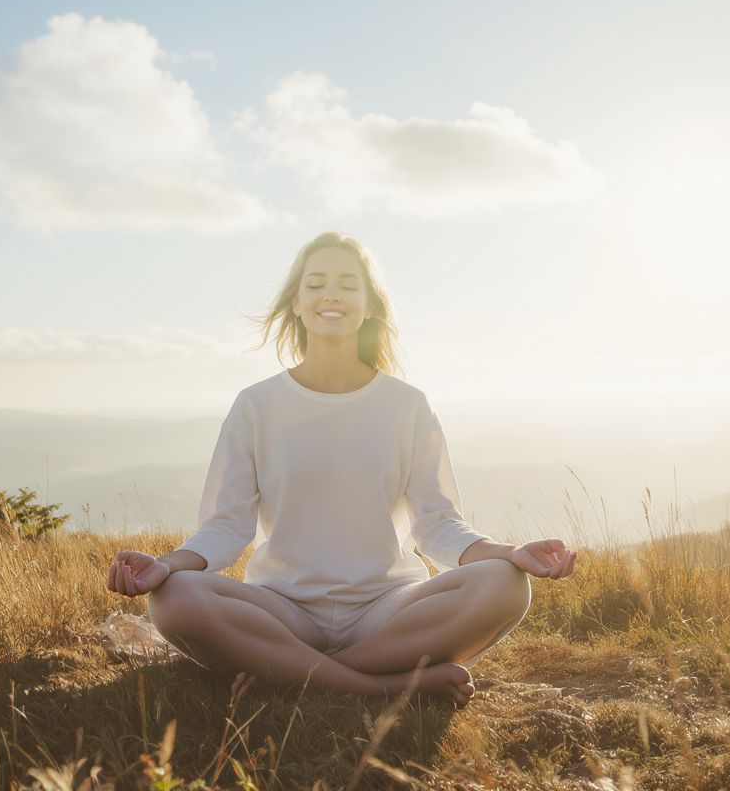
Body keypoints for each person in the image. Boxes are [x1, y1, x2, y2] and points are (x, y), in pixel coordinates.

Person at [105, 231, 577, 709]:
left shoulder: (407, 406)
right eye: (316, 283)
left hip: (386, 609)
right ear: (296, 302)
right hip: (282, 607)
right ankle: (379, 685)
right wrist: (166, 566)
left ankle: (293, 670)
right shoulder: (256, 406)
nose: (331, 293)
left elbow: (437, 524)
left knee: (504, 585)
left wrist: (511, 552)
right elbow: (226, 526)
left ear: (370, 305)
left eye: (348, 284)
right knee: (174, 598)